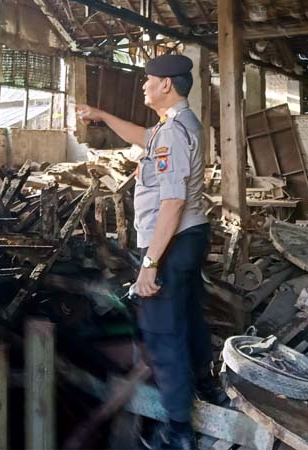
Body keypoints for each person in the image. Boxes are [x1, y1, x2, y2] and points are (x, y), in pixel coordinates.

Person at [76, 54, 221, 450]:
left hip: (171, 242)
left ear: (166, 85)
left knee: (162, 333)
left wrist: (150, 266)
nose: (143, 86)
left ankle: (178, 431)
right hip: (191, 237)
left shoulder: (173, 133)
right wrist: (102, 115)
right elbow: (143, 136)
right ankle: (208, 386)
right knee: (190, 316)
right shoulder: (178, 124)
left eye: (148, 80)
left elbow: (172, 201)